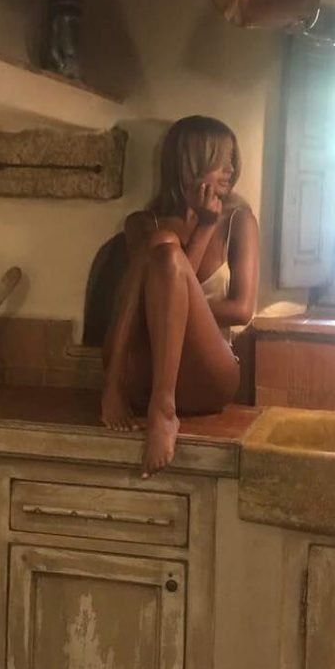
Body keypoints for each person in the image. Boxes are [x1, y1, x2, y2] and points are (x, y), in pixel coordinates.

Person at [102, 115, 259, 477]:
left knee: (166, 250)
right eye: (222, 159)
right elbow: (139, 304)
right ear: (191, 162)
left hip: (210, 374)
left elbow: (241, 310)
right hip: (146, 375)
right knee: (162, 244)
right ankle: (117, 384)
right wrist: (200, 230)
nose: (231, 169)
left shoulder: (238, 221)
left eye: (232, 160)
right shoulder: (142, 223)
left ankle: (163, 409)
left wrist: (207, 226)